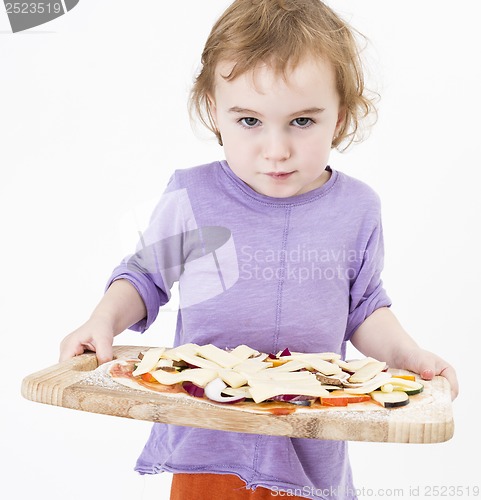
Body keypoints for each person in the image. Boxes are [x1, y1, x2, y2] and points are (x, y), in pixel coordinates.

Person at [59, 0, 459, 498]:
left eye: (302, 121)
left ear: (341, 115)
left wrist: (409, 355)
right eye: (249, 121)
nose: (276, 150)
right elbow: (145, 276)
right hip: (208, 443)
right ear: (214, 110)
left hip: (311, 445)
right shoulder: (193, 196)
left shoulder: (358, 208)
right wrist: (103, 320)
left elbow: (363, 307)